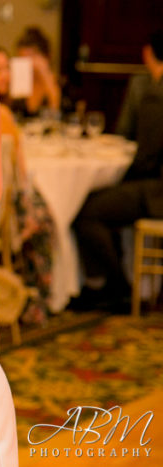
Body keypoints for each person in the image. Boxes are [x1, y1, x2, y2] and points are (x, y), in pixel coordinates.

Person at [71, 32, 163, 312]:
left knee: (87, 209)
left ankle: (115, 287)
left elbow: (147, 158)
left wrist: (121, 181)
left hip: (157, 191)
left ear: (148, 53)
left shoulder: (156, 94)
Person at [0, 44, 55, 326]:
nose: (5, 75)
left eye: (7, 68)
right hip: (0, 213)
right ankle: (37, 301)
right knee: (46, 221)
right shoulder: (0, 113)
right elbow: (20, 172)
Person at [115, 29, 163, 148]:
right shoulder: (139, 82)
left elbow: (124, 128)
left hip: (146, 158)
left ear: (147, 52)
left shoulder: (139, 85)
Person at [13, 25, 63, 118]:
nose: (29, 64)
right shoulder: (19, 84)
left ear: (47, 57)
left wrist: (45, 75)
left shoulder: (62, 85)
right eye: (22, 59)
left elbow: (56, 115)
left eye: (32, 57)